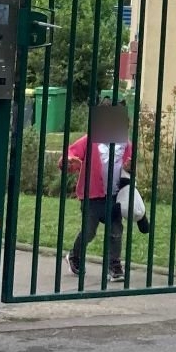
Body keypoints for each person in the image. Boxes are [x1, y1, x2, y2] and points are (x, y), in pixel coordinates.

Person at [62, 103, 133, 283]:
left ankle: (114, 265)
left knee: (116, 231)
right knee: (89, 231)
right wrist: (69, 161)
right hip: (92, 196)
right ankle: (75, 256)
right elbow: (70, 153)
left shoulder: (125, 144)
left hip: (115, 195)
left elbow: (129, 166)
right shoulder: (89, 140)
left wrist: (129, 167)